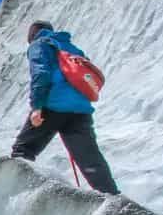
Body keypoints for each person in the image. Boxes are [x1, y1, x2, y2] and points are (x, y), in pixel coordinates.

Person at [11, 21, 119, 194]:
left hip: (52, 105)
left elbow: (41, 73)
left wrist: (37, 106)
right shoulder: (72, 48)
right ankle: (112, 197)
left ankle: (16, 192)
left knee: (23, 150)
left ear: (32, 35)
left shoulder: (39, 45)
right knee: (89, 159)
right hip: (80, 110)